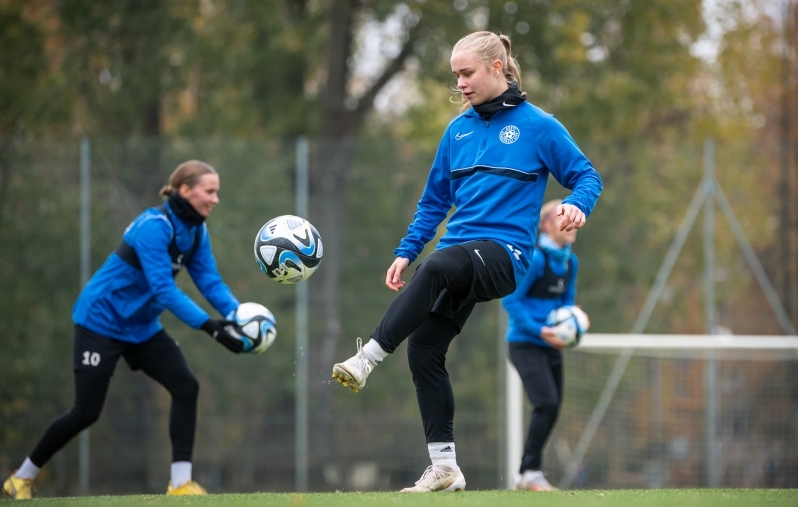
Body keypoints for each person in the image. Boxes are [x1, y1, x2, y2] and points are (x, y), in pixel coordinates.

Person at [330, 31, 603, 493]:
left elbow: (586, 176)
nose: (460, 83)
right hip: (460, 253)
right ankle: (445, 467)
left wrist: (578, 203)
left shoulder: (539, 125)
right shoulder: (456, 131)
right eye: (455, 75)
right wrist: (405, 250)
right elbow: (433, 202)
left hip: (506, 257)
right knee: (424, 350)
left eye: (467, 73)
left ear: (497, 68)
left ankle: (368, 356)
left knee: (438, 267)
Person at [3, 160, 246, 499]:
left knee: (185, 386)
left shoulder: (196, 231)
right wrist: (211, 328)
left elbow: (209, 281)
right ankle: (21, 478)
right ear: (185, 190)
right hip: (100, 321)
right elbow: (163, 289)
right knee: (86, 411)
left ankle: (180, 484)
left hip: (141, 326)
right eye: (210, 191)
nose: (215, 199)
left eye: (216, 192)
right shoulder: (153, 226)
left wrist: (240, 316)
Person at [502, 198, 588, 491]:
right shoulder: (535, 258)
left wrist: (574, 320)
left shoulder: (570, 261)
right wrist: (541, 331)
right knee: (546, 402)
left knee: (553, 406)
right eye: (566, 218)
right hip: (525, 344)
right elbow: (511, 300)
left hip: (551, 344)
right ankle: (529, 472)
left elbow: (566, 300)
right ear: (549, 224)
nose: (573, 223)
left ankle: (527, 472)